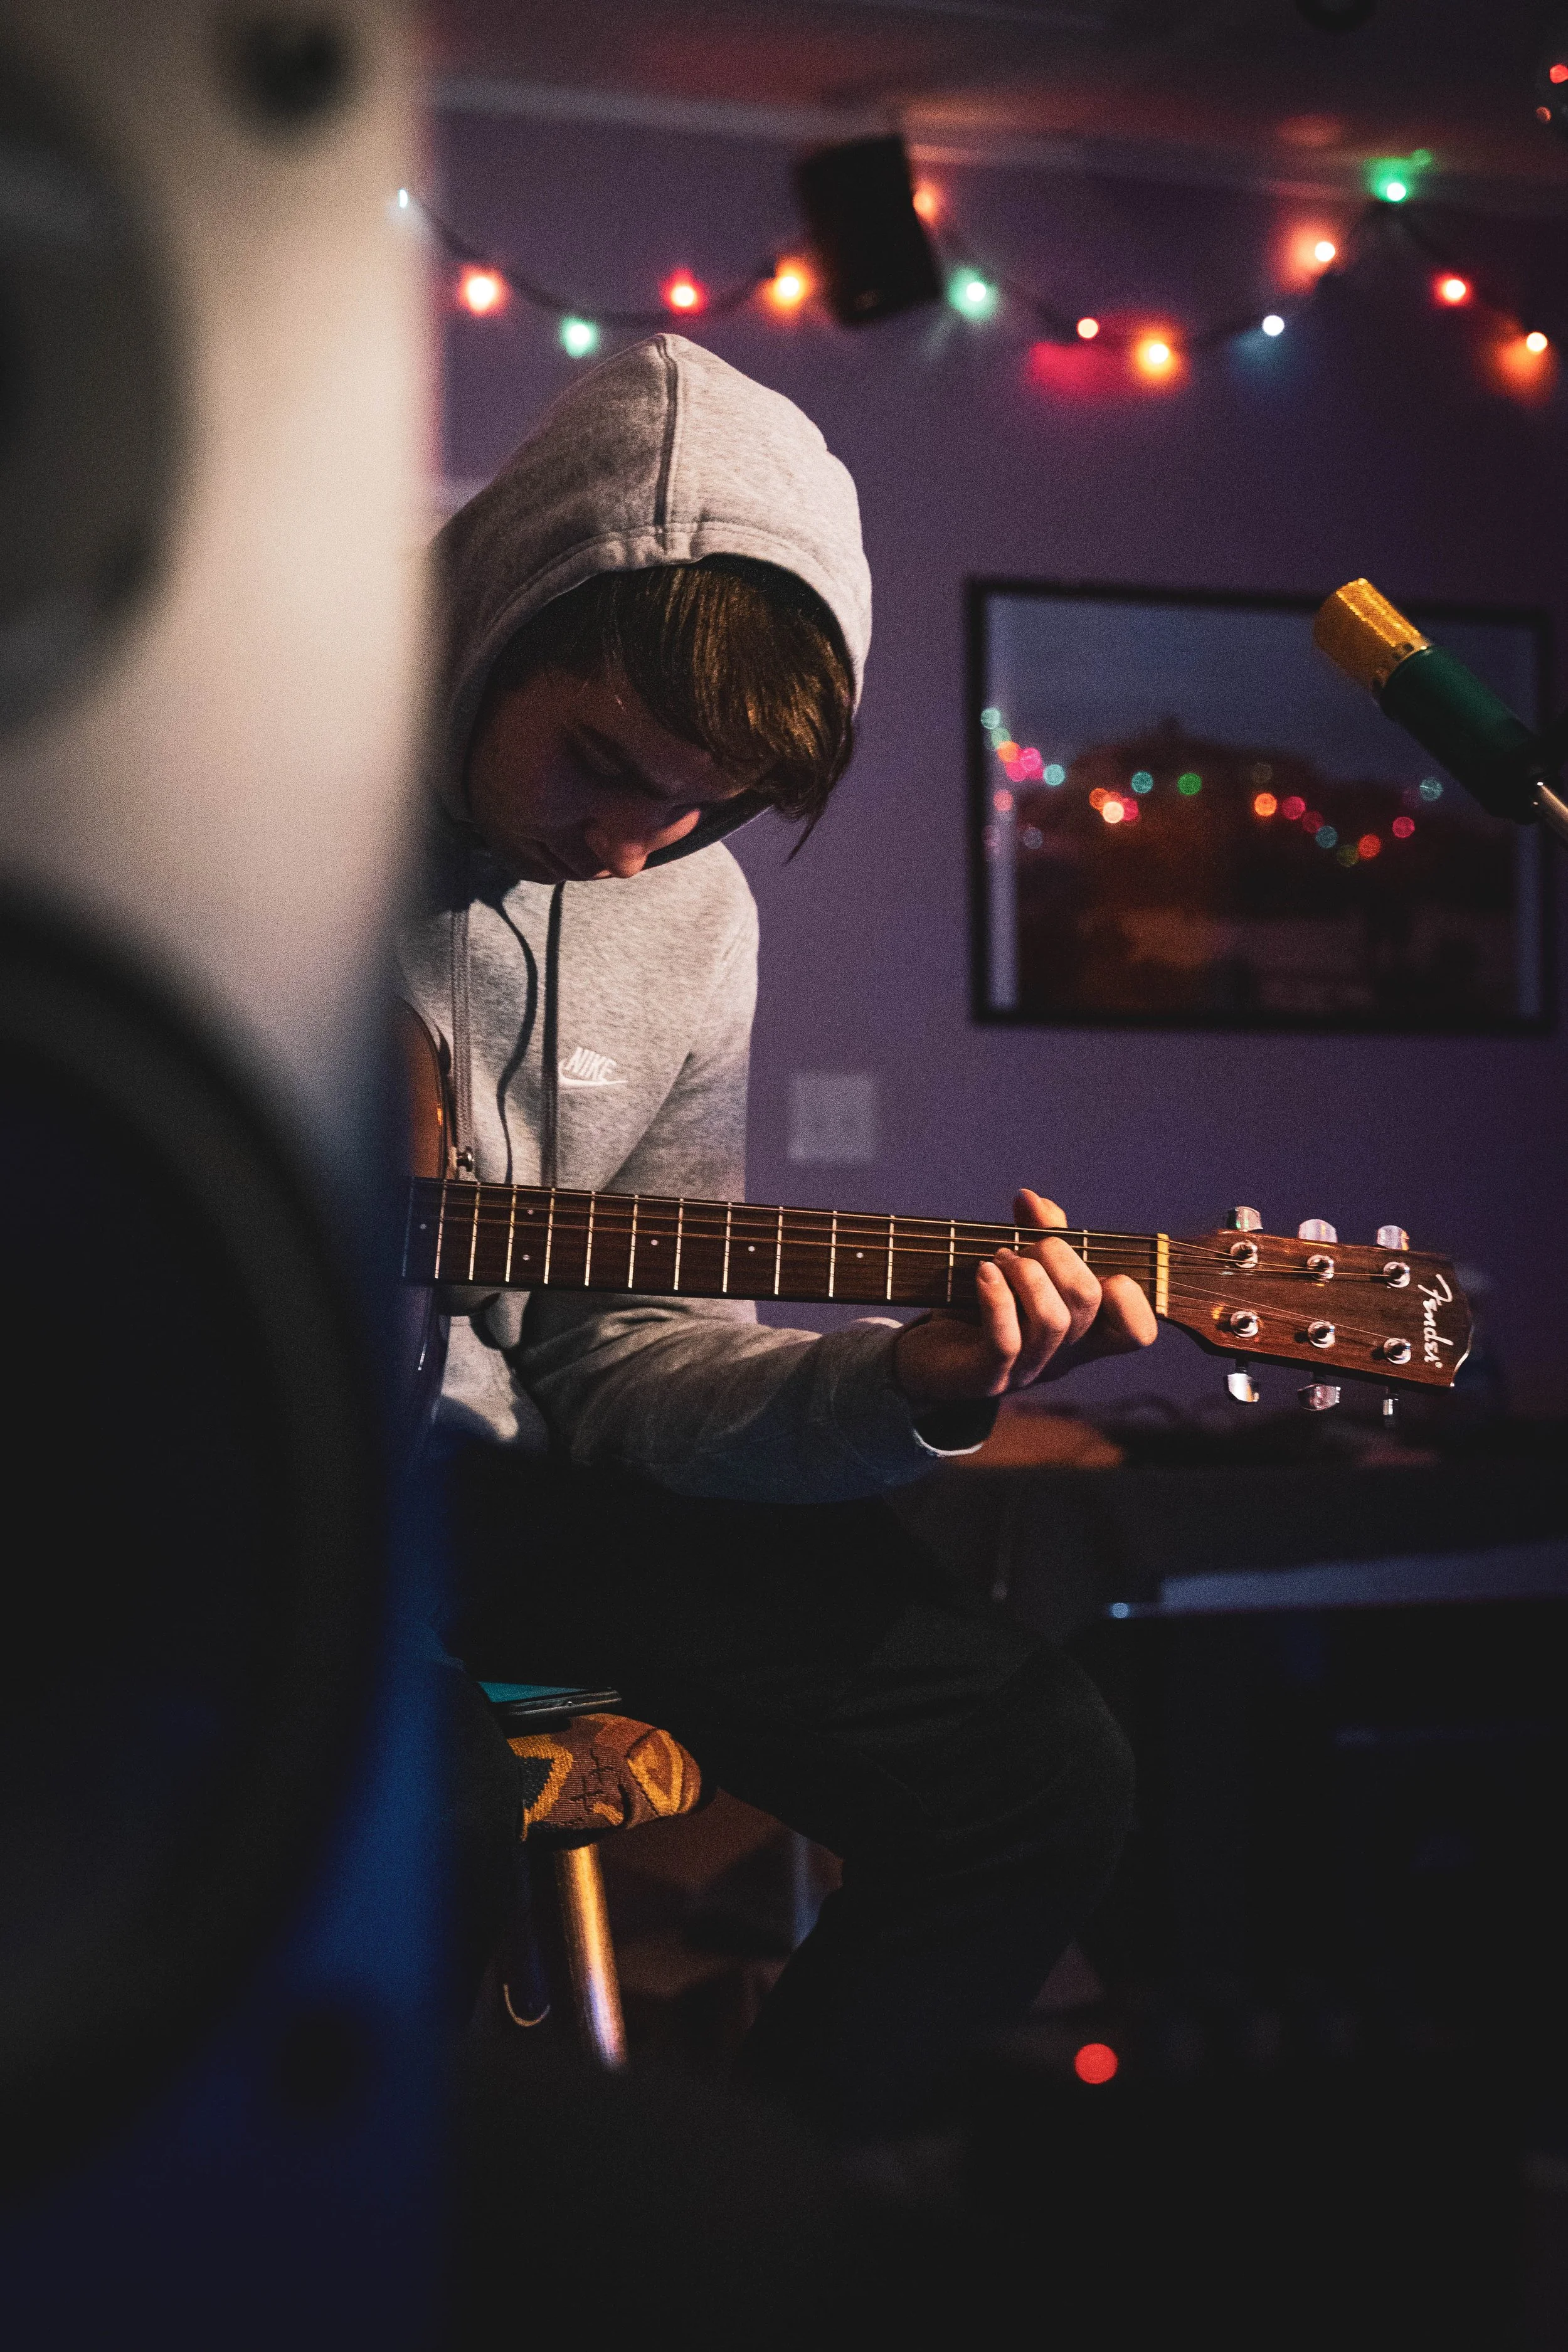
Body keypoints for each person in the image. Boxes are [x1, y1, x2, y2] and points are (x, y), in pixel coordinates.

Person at [403, 334, 1156, 2140]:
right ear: (517, 607)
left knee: (1035, 1771)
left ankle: (740, 2242)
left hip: (511, 1486)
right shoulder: (227, 774)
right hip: (201, 1468)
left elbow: (624, 1350)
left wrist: (908, 1378)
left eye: (704, 800)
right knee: (395, 1812)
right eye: (602, 762)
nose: (636, 840)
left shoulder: (686, 909)